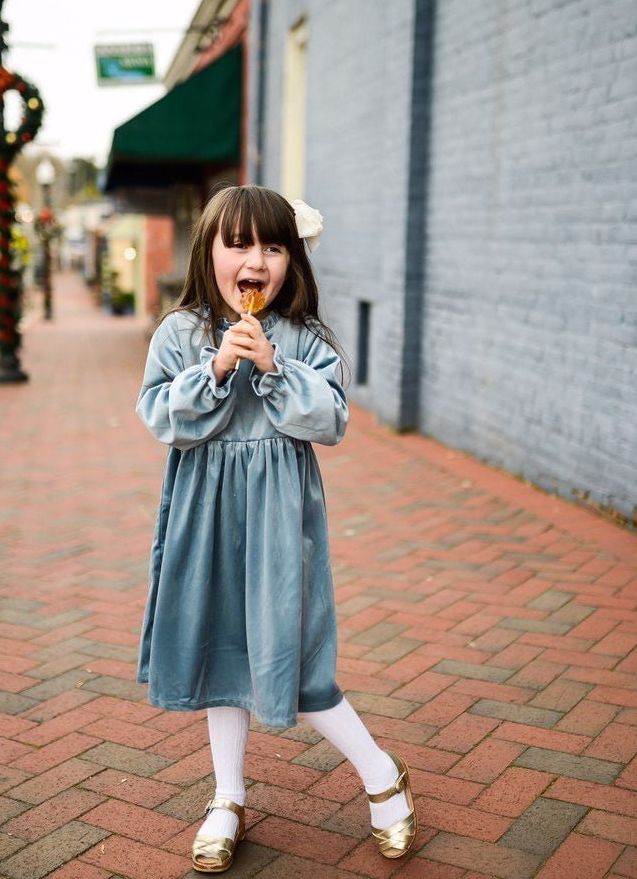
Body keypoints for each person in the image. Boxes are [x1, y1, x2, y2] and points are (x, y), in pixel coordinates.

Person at [136, 185, 416, 872]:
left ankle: (383, 777)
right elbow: (158, 417)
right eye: (238, 245)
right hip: (203, 519)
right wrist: (217, 367)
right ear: (210, 254)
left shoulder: (306, 339)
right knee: (220, 648)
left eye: (272, 246)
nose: (254, 260)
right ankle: (227, 797)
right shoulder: (181, 334)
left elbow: (331, 422)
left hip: (277, 524)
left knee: (298, 657)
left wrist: (271, 366)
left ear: (292, 261)